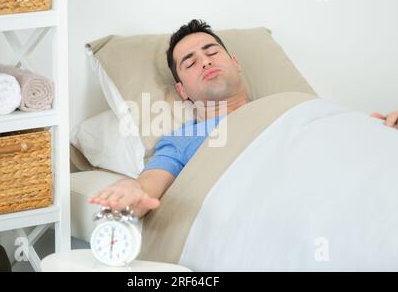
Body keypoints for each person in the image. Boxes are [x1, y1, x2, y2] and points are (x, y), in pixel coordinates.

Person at [88, 19, 398, 217]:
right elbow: (148, 184)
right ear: (182, 90)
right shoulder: (183, 139)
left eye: (212, 51)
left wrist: (374, 129)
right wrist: (130, 194)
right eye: (190, 62)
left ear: (235, 63)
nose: (205, 60)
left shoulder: (291, 107)